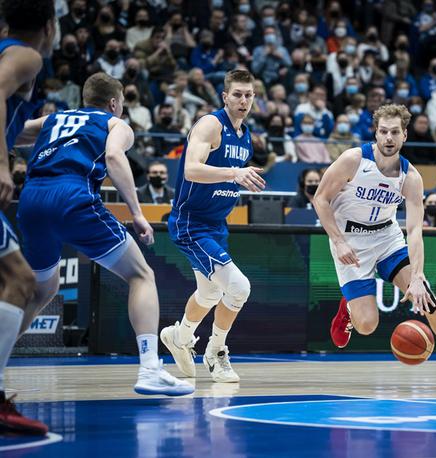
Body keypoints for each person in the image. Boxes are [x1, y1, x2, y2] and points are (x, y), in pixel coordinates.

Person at [18, 73, 194, 400]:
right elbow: (114, 157)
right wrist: (137, 213)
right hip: (72, 196)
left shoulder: (54, 119)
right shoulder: (115, 124)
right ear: (115, 103)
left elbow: (12, 133)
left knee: (43, 289)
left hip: (30, 200)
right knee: (141, 275)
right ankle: (150, 369)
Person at [313, 104, 436, 390]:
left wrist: (418, 277)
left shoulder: (411, 177)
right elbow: (320, 199)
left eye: (395, 132)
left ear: (405, 135)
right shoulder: (352, 160)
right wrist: (338, 240)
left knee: (428, 299)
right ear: (376, 133)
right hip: (350, 240)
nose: (389, 138)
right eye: (383, 132)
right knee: (367, 325)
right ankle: (348, 308)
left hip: (386, 237)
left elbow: (415, 230)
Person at [161, 70, 265, 384]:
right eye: (237, 94)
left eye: (248, 95)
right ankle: (215, 352)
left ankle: (179, 336)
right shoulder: (211, 124)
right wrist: (234, 173)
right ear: (224, 96)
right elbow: (191, 170)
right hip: (190, 223)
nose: (243, 100)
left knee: (209, 293)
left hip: (215, 225)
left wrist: (236, 175)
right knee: (239, 287)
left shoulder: (246, 135)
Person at [0, 0, 55, 436]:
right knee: (21, 281)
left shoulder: (7, 50)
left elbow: (9, 123)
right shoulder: (28, 54)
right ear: (50, 27)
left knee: (14, 281)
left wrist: (41, 127)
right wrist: (2, 164)